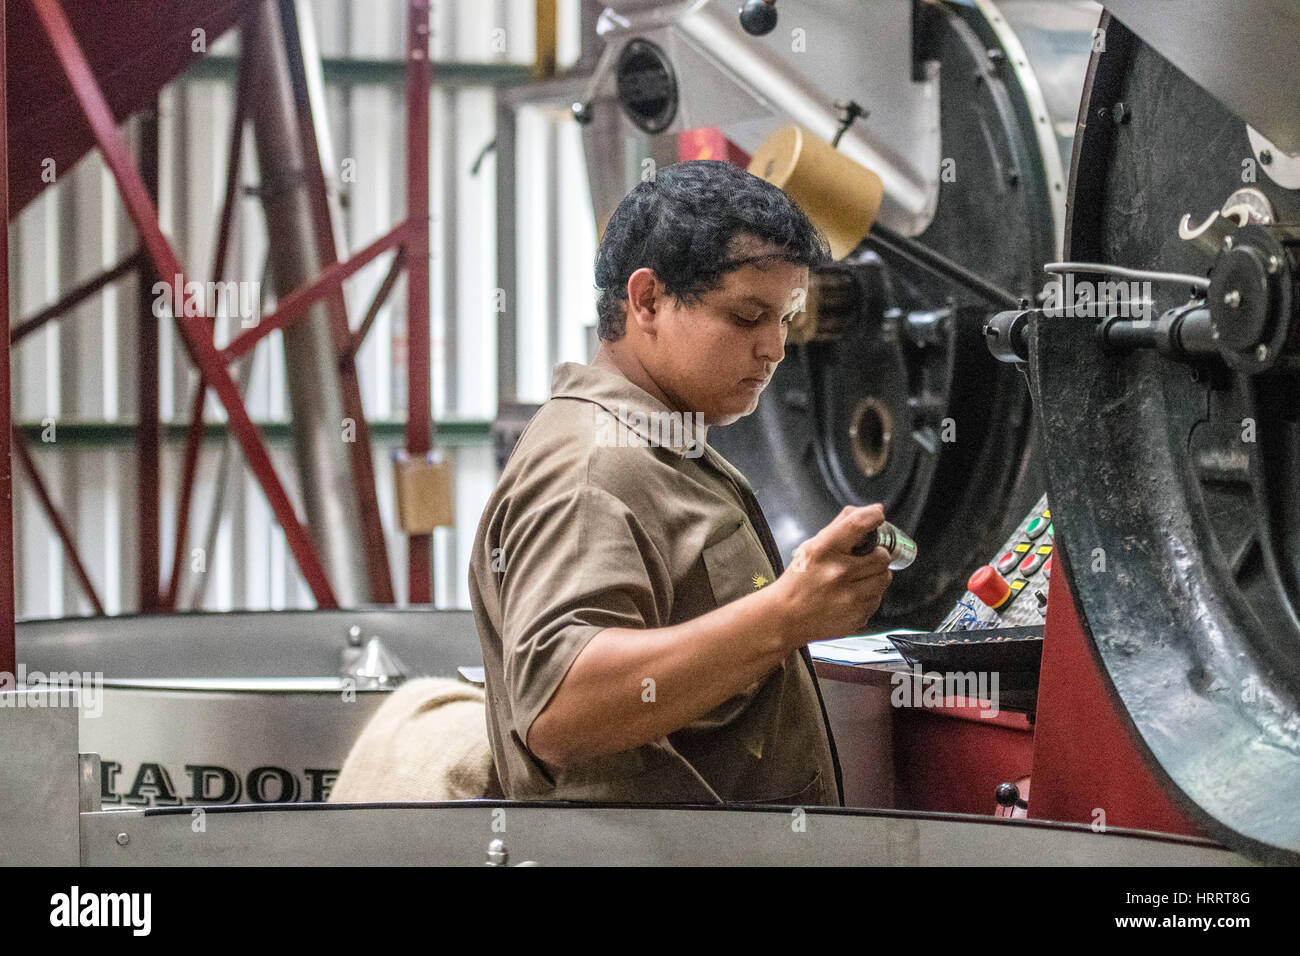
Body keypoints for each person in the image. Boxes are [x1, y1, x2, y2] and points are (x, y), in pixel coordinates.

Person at [468, 159, 894, 806]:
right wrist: (785, 615)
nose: (775, 349)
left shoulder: (664, 451)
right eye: (748, 316)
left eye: (784, 319)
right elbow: (561, 705)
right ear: (647, 301)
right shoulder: (596, 466)